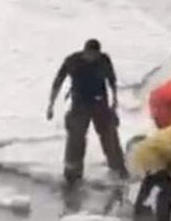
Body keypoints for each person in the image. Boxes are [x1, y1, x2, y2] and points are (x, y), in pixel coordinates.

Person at [47, 39, 128, 184]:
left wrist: (115, 102)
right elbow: (58, 81)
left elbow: (112, 81)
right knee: (76, 139)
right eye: (90, 54)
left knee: (109, 136)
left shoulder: (104, 60)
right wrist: (51, 105)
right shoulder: (73, 61)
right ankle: (72, 173)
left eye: (95, 55)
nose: (92, 58)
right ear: (85, 51)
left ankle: (118, 168)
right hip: (79, 104)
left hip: (100, 103)